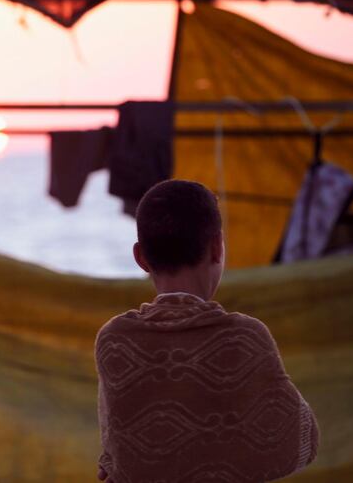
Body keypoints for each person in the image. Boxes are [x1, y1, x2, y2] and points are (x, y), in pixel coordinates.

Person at [95, 180, 319, 483]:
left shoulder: (115, 340)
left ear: (140, 257)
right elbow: (301, 440)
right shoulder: (246, 338)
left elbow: (115, 456)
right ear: (217, 247)